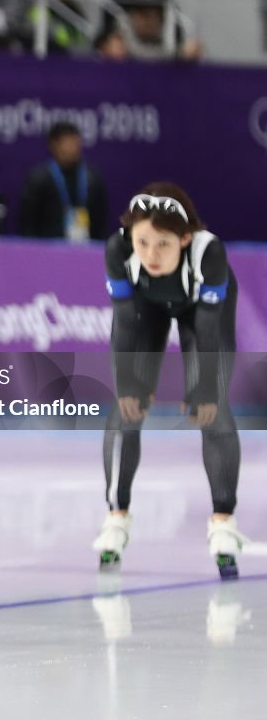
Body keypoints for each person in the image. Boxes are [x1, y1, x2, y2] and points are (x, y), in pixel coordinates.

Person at [93, 184, 245, 577]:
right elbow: (124, 323)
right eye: (143, 242)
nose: (151, 255)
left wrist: (205, 388)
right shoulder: (118, 250)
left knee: (213, 409)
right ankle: (117, 514)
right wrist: (128, 383)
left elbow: (210, 329)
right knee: (126, 408)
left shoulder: (208, 253)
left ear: (185, 238)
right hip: (146, 309)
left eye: (163, 244)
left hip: (203, 313)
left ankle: (223, 520)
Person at [18, 121, 108, 241]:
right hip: (47, 250)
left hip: (85, 249)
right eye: (68, 142)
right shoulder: (39, 179)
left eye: (76, 141)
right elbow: (28, 224)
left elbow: (100, 223)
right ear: (54, 145)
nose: (74, 147)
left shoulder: (93, 179)